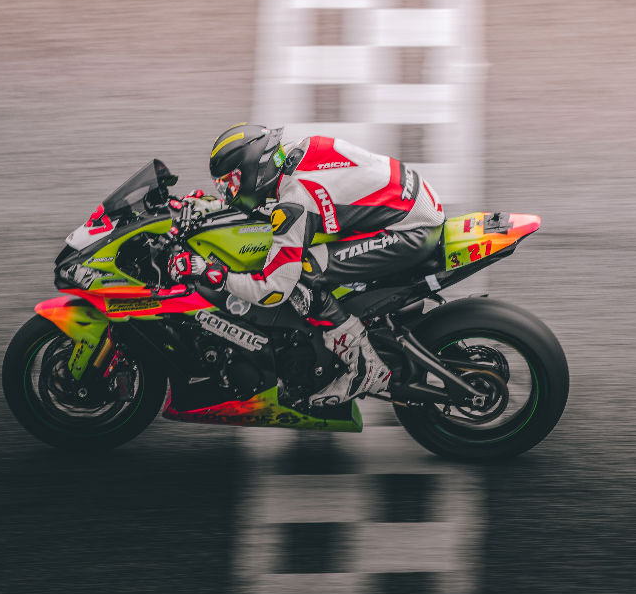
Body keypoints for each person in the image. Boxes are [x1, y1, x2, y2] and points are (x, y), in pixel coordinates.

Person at [168, 123, 445, 407]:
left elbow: (273, 290)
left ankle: (365, 366)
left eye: (232, 182)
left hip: (411, 229)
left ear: (253, 169)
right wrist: (212, 206)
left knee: (304, 275)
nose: (229, 192)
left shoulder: (295, 202)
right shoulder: (290, 154)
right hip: (410, 199)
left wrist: (212, 273)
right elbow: (272, 204)